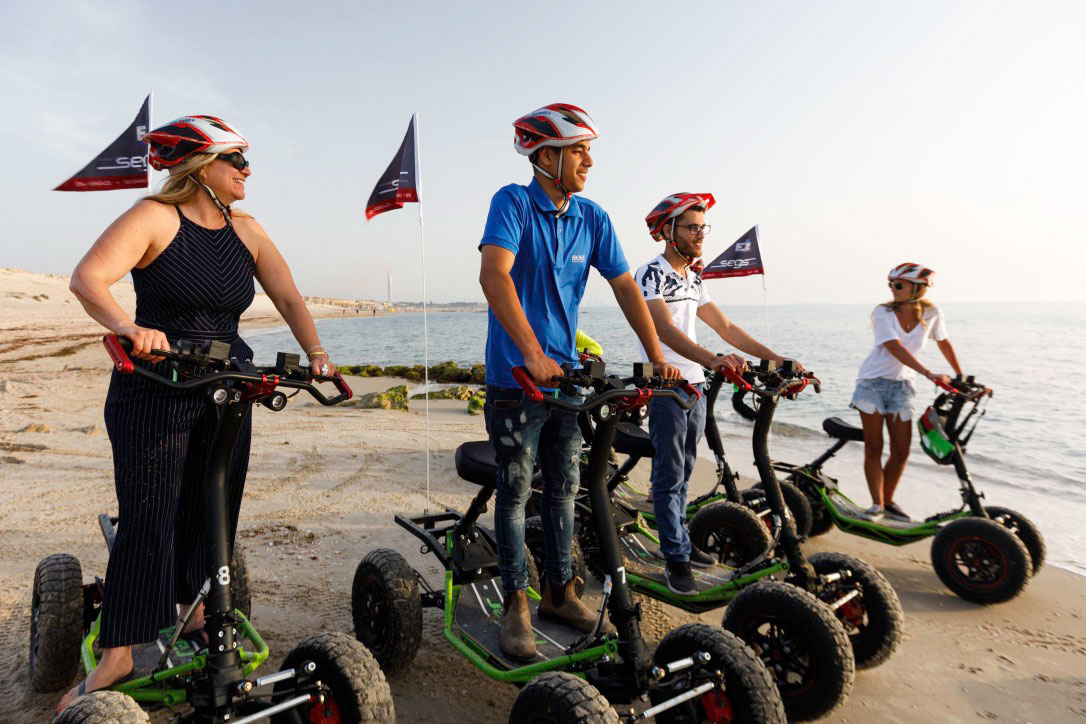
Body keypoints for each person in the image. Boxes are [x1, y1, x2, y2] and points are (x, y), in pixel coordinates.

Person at [58, 115, 334, 713]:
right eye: (236, 160)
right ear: (201, 165)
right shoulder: (155, 218)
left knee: (215, 508)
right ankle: (121, 650)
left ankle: (197, 609)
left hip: (228, 384)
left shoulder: (249, 231)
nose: (246, 171)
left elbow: (287, 295)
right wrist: (131, 328)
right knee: (151, 512)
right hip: (156, 381)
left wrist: (316, 354)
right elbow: (88, 280)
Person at [479, 103, 679, 661]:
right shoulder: (513, 202)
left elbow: (624, 287)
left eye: (590, 150)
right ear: (546, 156)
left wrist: (656, 355)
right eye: (579, 151)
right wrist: (531, 352)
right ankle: (515, 603)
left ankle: (560, 592)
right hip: (516, 378)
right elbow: (494, 275)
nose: (589, 160)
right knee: (517, 491)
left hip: (567, 379)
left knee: (567, 488)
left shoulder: (592, 217)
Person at [635, 193, 800, 596]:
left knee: (687, 470)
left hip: (695, 386)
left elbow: (725, 327)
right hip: (666, 387)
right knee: (670, 474)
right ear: (667, 231)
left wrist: (774, 357)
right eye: (691, 227)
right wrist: (714, 359)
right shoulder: (649, 274)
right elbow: (663, 331)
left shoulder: (693, 278)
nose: (700, 235)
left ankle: (680, 544)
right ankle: (675, 558)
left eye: (702, 227)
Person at [852, 263, 961, 521]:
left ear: (918, 288)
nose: (893, 289)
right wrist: (929, 373)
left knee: (901, 451)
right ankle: (877, 505)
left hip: (903, 386)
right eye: (891, 284)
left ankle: (888, 502)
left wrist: (959, 374)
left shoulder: (932, 312)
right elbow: (893, 346)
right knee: (874, 447)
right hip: (872, 383)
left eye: (898, 285)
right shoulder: (883, 312)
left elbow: (943, 342)